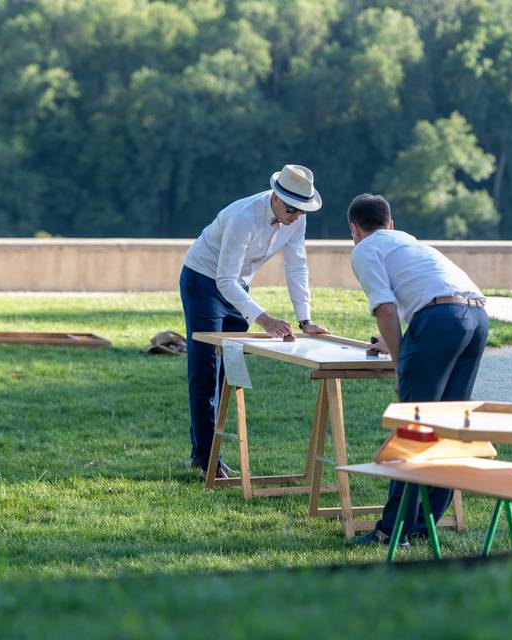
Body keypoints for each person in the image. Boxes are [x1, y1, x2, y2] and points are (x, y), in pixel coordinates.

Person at [346, 193, 488, 546]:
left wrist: (400, 363)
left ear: (355, 230)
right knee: (447, 427)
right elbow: (430, 297)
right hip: (476, 318)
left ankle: (390, 532)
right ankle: (424, 525)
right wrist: (406, 345)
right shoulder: (409, 242)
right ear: (390, 223)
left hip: (440, 321)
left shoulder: (365, 249)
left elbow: (386, 309)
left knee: (413, 428)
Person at [180, 165, 330, 481]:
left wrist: (306, 320)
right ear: (276, 197)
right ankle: (206, 458)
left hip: (236, 287)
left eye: (303, 211)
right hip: (204, 282)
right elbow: (224, 279)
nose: (296, 216)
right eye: (291, 208)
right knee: (206, 368)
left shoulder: (295, 220)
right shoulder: (244, 217)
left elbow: (297, 266)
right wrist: (263, 319)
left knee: (229, 372)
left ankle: (208, 454)